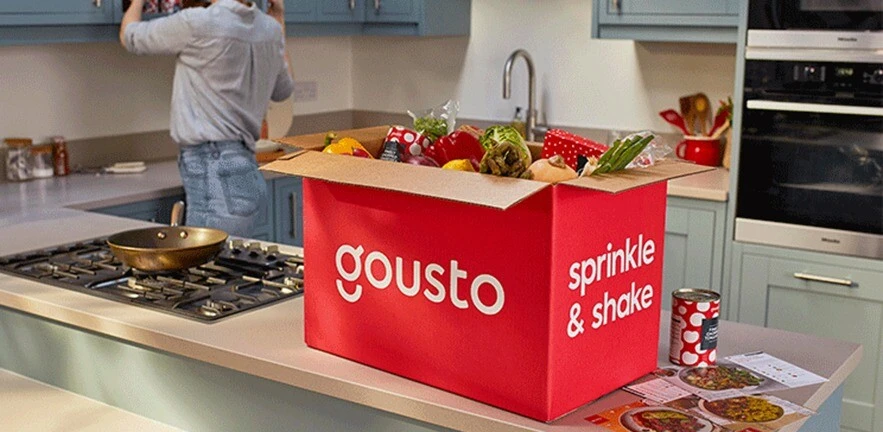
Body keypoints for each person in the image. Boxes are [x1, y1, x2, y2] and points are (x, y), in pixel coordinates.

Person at [120, 0, 293, 237]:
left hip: (212, 168)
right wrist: (279, 23)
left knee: (208, 257)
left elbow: (130, 36)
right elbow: (283, 90)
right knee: (229, 258)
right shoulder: (270, 30)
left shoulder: (198, 22)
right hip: (246, 170)